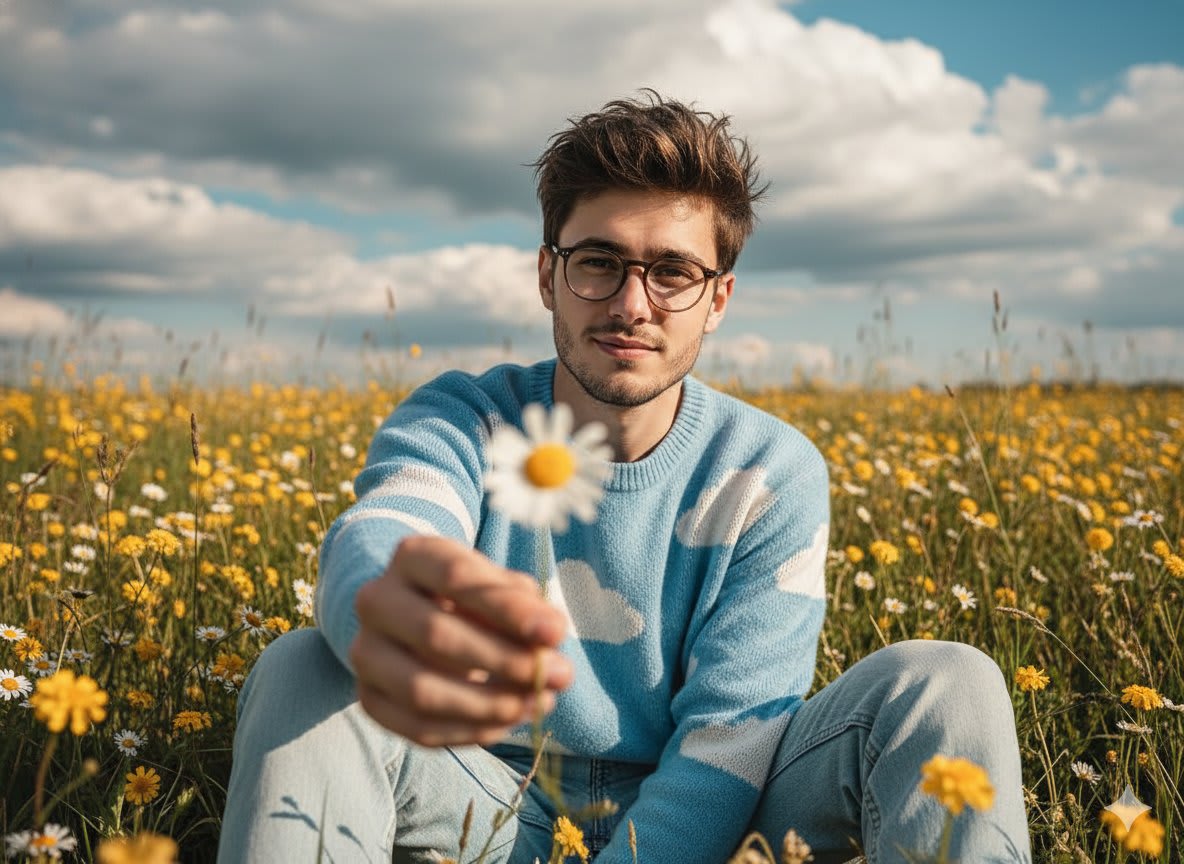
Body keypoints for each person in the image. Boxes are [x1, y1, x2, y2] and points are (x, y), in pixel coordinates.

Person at [218, 92, 1031, 864]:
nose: (632, 303)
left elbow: (733, 737)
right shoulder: (463, 418)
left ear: (717, 299)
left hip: (723, 810)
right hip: (488, 799)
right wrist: (378, 604)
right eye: (598, 262)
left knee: (949, 684)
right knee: (303, 665)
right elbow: (391, 524)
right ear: (548, 276)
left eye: (673, 272)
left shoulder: (770, 469)